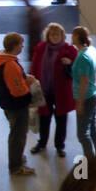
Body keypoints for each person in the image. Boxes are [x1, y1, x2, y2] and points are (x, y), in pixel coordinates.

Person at [30, 23, 77, 157]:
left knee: (61, 119)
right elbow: (34, 66)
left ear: (62, 35)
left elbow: (78, 69)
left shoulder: (69, 50)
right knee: (44, 118)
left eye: (57, 34)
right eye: (52, 34)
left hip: (61, 92)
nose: (55, 37)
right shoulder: (41, 48)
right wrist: (32, 83)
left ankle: (59, 146)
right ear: (48, 35)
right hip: (44, 90)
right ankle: (42, 143)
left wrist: (70, 63)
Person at [0, 33, 37, 177]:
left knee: (16, 133)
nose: (22, 46)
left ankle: (17, 158)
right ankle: (16, 166)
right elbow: (17, 91)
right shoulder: (10, 65)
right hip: (16, 106)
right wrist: (28, 83)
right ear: (14, 46)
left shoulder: (3, 60)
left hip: (8, 104)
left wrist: (24, 78)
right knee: (17, 136)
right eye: (20, 44)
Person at [70, 26, 96, 161]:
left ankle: (91, 161)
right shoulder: (91, 50)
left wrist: (79, 103)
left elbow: (84, 81)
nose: (71, 37)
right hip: (93, 94)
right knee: (92, 126)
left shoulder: (82, 57)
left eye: (73, 35)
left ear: (77, 37)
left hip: (85, 98)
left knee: (82, 134)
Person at [21, 0, 42, 64]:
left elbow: (35, 32)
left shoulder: (33, 13)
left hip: (34, 45)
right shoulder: (32, 11)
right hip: (34, 44)